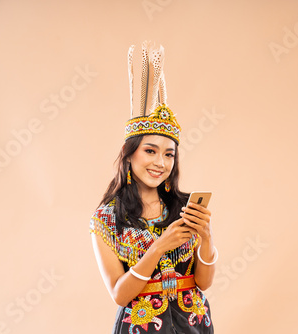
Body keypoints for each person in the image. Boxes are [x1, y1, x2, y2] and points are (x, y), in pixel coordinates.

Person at [90, 42, 217, 333]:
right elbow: (120, 294)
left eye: (169, 154)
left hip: (193, 325)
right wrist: (160, 247)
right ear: (129, 153)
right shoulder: (106, 219)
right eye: (150, 151)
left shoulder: (186, 207)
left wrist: (207, 239)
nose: (160, 162)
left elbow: (204, 283)